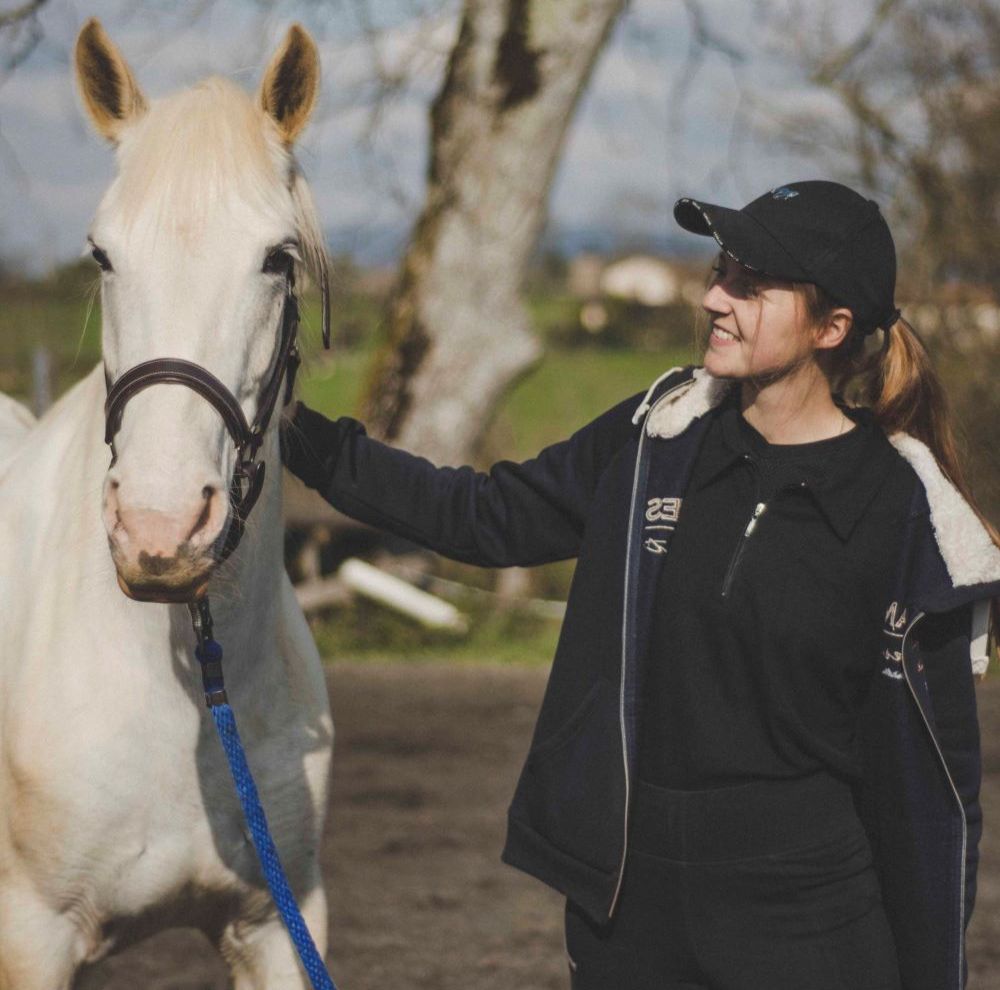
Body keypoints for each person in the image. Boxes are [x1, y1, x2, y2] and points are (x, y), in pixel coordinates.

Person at [280, 180, 999, 990]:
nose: (712, 298)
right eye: (721, 269)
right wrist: (295, 433)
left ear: (832, 328)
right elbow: (484, 515)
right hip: (631, 911)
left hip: (811, 919)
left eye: (750, 286)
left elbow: (931, 797)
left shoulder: (907, 519)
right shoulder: (659, 437)